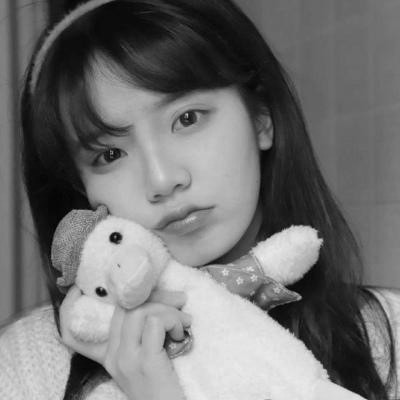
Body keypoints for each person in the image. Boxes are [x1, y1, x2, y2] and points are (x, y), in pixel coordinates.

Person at [0, 0, 398, 399]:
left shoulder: (389, 333)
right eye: (110, 154)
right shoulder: (22, 366)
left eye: (187, 119)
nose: (162, 180)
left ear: (261, 117)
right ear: (80, 189)